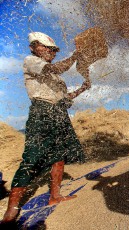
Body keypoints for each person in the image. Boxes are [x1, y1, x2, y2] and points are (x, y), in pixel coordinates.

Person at [1, 32, 90, 224]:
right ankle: (11, 210)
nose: (52, 52)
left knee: (59, 157)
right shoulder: (31, 61)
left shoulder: (56, 78)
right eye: (47, 48)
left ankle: (54, 196)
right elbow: (57, 67)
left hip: (59, 114)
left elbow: (64, 100)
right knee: (32, 157)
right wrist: (75, 55)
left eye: (54, 50)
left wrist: (83, 88)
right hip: (42, 113)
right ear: (34, 47)